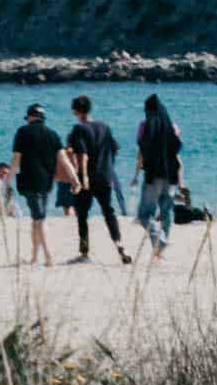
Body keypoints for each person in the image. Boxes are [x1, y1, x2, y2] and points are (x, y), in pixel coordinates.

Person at [68, 95, 132, 265]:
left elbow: (82, 155)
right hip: (105, 176)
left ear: (76, 111)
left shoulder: (78, 129)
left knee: (82, 214)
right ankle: (120, 246)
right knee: (108, 212)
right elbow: (115, 149)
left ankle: (84, 252)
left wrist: (83, 178)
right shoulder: (105, 127)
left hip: (87, 177)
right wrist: (108, 165)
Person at [9, 103, 62, 267]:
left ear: (31, 117)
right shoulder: (53, 134)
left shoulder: (22, 132)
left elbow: (16, 158)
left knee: (39, 220)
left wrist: (7, 179)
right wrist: (74, 178)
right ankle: (34, 257)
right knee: (36, 219)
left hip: (29, 182)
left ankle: (48, 256)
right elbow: (62, 159)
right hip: (46, 182)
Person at [133, 93, 183, 261]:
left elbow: (141, 152)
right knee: (167, 212)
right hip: (170, 176)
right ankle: (160, 250)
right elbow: (176, 152)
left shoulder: (144, 126)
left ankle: (160, 241)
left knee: (144, 214)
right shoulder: (172, 127)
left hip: (153, 176)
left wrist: (136, 173)